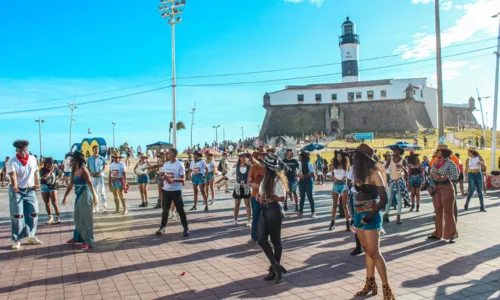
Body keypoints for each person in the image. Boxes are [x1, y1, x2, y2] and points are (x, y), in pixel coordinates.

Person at [352, 143, 395, 300]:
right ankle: (370, 283)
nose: (353, 159)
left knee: (374, 252)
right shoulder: (359, 173)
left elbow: (383, 199)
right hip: (358, 214)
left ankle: (387, 288)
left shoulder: (375, 174)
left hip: (371, 215)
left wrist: (370, 216)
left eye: (356, 156)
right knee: (367, 251)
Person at [257, 152, 288, 284]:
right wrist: (260, 197)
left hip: (274, 209)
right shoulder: (265, 179)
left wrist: (269, 197)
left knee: (276, 241)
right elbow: (260, 193)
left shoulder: (277, 180)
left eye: (265, 166)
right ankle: (276, 267)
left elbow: (282, 198)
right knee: (261, 239)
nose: (264, 167)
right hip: (265, 209)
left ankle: (274, 271)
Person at [7, 140, 43, 250]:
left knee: (34, 212)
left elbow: (36, 172)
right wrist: (15, 186)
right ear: (16, 150)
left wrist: (38, 183)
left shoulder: (32, 159)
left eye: (25, 150)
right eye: (21, 151)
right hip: (17, 191)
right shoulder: (12, 161)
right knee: (18, 215)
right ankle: (17, 239)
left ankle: (30, 235)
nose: (23, 153)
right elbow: (13, 176)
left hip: (30, 190)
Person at [62, 151, 98, 250]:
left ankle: (88, 241)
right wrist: (65, 196)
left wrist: (95, 197)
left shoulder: (83, 170)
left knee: (86, 218)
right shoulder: (73, 170)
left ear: (77, 160)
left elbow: (90, 184)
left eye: (71, 160)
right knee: (77, 216)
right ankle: (77, 237)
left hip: (86, 194)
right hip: (78, 194)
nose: (69, 162)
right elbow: (70, 185)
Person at [428, 145, 459, 243]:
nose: (437, 152)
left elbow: (455, 175)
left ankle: (451, 234)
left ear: (443, 153)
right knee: (437, 212)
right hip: (436, 188)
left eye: (438, 151)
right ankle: (438, 233)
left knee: (448, 212)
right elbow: (431, 173)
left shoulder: (450, 163)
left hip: (446, 187)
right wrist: (433, 175)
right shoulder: (435, 162)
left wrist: (444, 176)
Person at [156, 148, 189, 237]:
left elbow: (183, 179)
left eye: (169, 153)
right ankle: (162, 227)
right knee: (165, 210)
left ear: (173, 154)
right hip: (166, 190)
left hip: (176, 191)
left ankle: (185, 228)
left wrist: (173, 179)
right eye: (167, 153)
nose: (167, 155)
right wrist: (162, 176)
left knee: (180, 210)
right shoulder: (166, 164)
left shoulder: (180, 165)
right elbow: (161, 174)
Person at [384, 146, 409, 224]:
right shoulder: (390, 159)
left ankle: (398, 216)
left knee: (399, 199)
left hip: (399, 181)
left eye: (396, 150)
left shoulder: (403, 161)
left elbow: (407, 173)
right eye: (393, 150)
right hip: (391, 181)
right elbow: (385, 168)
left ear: (400, 152)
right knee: (388, 198)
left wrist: (402, 167)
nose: (394, 152)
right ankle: (386, 215)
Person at [228, 152, 252, 228]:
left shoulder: (250, 167)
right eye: (242, 157)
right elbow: (228, 175)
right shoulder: (236, 166)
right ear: (240, 158)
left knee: (247, 204)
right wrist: (220, 181)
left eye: (245, 157)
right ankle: (235, 220)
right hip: (238, 187)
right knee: (236, 205)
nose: (244, 158)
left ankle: (249, 220)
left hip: (246, 187)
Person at [248, 149, 266, 244]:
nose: (262, 156)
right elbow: (249, 182)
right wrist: (252, 185)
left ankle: (265, 237)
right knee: (255, 217)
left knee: (267, 217)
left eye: (264, 155)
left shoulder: (270, 167)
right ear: (257, 156)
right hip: (255, 196)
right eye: (260, 155)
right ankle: (254, 237)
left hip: (268, 197)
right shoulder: (253, 167)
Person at [329, 150, 350, 231]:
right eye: (337, 156)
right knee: (334, 205)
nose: (339, 158)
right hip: (336, 185)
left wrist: (344, 178)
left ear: (343, 157)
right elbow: (328, 172)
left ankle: (347, 224)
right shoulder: (334, 165)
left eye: (340, 156)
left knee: (345, 205)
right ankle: (332, 223)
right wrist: (333, 178)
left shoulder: (346, 164)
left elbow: (348, 174)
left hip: (343, 185)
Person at [39, 157, 63, 224]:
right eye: (49, 163)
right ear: (45, 163)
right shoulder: (42, 170)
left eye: (51, 163)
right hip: (44, 186)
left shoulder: (55, 169)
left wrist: (57, 180)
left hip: (53, 186)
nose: (50, 165)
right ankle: (50, 217)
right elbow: (44, 177)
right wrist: (51, 170)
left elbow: (61, 174)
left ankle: (58, 217)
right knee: (47, 203)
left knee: (54, 202)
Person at [464, 148, 486, 212]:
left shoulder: (479, 158)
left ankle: (482, 206)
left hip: (478, 173)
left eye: (469, 152)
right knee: (472, 190)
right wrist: (465, 176)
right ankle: (466, 204)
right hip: (471, 174)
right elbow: (466, 168)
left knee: (480, 191)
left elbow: (484, 166)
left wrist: (481, 163)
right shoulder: (468, 159)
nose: (468, 153)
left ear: (472, 152)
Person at [87, 146, 108, 212]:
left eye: (98, 149)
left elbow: (105, 166)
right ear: (93, 150)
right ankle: (96, 206)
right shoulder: (89, 159)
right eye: (95, 149)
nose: (97, 150)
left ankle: (104, 207)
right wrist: (90, 173)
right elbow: (88, 167)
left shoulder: (101, 158)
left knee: (102, 191)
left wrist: (101, 172)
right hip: (93, 177)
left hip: (100, 176)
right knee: (94, 192)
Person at [298, 151, 316, 218]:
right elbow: (299, 172)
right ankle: (301, 211)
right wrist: (298, 175)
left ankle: (313, 212)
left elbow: (312, 174)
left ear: (303, 157)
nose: (299, 157)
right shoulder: (300, 164)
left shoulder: (309, 164)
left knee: (309, 196)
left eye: (300, 156)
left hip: (308, 181)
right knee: (302, 197)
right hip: (301, 182)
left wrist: (304, 176)